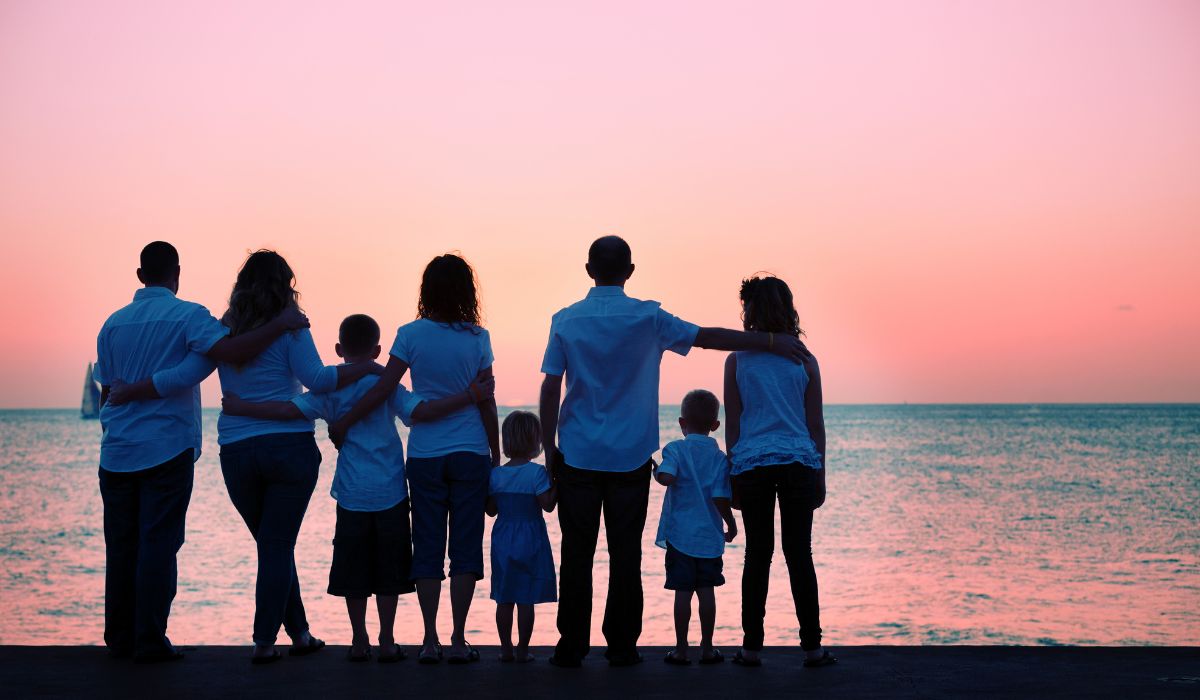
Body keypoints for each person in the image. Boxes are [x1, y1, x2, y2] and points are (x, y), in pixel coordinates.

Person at [539, 235, 810, 667]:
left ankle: (571, 646)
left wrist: (548, 447)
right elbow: (706, 337)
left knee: (577, 553)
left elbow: (551, 384)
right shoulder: (648, 318)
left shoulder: (566, 320)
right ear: (629, 272)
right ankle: (622, 647)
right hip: (629, 455)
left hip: (578, 453)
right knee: (625, 553)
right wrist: (771, 342)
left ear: (589, 270)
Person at [145, 250, 384, 664]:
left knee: (273, 545)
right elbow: (320, 379)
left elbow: (191, 372)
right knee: (276, 545)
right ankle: (264, 642)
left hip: (237, 452)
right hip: (288, 449)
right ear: (285, 284)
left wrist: (136, 388)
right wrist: (366, 370)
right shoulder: (291, 329)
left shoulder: (223, 331)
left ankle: (301, 633)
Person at [221, 313, 496, 663]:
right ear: (379, 350)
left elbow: (289, 411)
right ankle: (387, 639)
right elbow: (421, 412)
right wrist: (470, 396)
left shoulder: (329, 390)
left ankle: (358, 639)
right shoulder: (389, 387)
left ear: (338, 349)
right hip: (392, 493)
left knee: (354, 571)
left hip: (351, 494)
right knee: (389, 572)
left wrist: (243, 407)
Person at [94, 241, 309, 663]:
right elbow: (231, 352)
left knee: (120, 546)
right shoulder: (189, 316)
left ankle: (120, 639)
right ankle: (150, 640)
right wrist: (282, 323)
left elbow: (108, 390)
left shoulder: (112, 324)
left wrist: (129, 401)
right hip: (166, 447)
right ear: (177, 271)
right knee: (159, 542)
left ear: (140, 276)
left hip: (116, 451)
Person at [327, 253, 499, 664]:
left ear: (426, 290)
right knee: (465, 548)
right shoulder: (478, 337)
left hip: (424, 454)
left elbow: (384, 386)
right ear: (466, 291)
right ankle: (458, 640)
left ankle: (428, 640)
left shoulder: (410, 335)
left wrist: (345, 420)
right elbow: (487, 403)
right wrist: (495, 458)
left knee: (427, 544)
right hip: (471, 451)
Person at [723, 275, 835, 668]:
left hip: (752, 463)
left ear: (749, 310)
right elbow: (815, 423)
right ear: (788, 309)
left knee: (758, 554)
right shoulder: (805, 360)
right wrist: (820, 474)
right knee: (799, 555)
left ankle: (751, 648)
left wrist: (732, 473)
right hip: (799, 462)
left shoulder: (736, 359)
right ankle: (813, 649)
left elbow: (733, 423)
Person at [653, 390, 736, 666]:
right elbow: (721, 497)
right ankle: (708, 649)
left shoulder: (675, 449)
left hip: (680, 537)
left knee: (683, 594)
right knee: (707, 592)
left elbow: (666, 477)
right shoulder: (720, 458)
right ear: (715, 425)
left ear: (681, 422)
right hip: (709, 538)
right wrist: (731, 523)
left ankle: (680, 649)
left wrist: (655, 471)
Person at [485, 411, 557, 664]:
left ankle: (505, 648)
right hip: (531, 535)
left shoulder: (496, 475)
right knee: (526, 598)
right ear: (534, 440)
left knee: (504, 597)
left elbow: (491, 510)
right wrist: (556, 482)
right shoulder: (536, 474)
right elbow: (547, 505)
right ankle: (523, 649)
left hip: (503, 536)